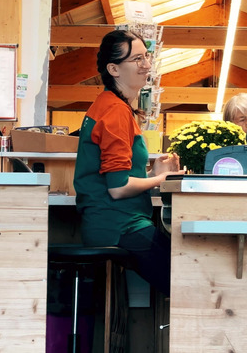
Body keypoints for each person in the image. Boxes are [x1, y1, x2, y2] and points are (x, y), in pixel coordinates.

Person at [74, 29, 184, 296]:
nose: (146, 65)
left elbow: (117, 173)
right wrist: (163, 180)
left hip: (117, 223)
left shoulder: (114, 107)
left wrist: (151, 172)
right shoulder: (115, 112)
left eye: (146, 56)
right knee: (188, 280)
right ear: (113, 68)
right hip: (119, 227)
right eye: (137, 59)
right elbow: (118, 187)